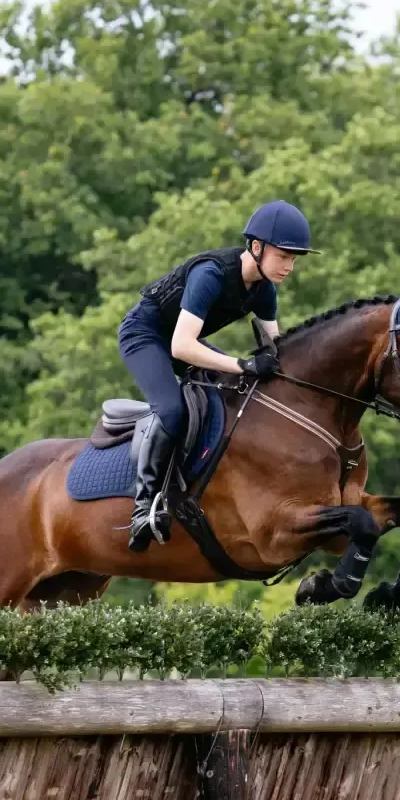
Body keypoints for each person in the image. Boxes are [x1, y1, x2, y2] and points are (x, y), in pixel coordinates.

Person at [117, 200, 321, 552]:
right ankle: (143, 507)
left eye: (294, 259)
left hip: (182, 338)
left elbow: (275, 350)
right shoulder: (210, 274)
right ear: (256, 248)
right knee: (171, 410)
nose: (289, 266)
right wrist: (243, 364)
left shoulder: (264, 290)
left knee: (234, 390)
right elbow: (182, 346)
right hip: (147, 335)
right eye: (283, 256)